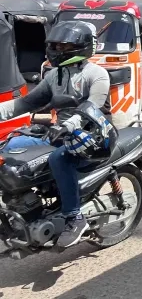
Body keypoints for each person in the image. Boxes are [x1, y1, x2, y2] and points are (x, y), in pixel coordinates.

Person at [0, 21, 110, 248]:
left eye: (64, 47)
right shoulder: (54, 75)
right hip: (60, 133)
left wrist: (71, 124)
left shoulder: (97, 74)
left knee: (58, 158)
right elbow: (26, 103)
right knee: (11, 146)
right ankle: (23, 205)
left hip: (93, 134)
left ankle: (74, 217)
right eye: (55, 46)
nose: (57, 51)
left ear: (82, 47)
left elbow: (93, 106)